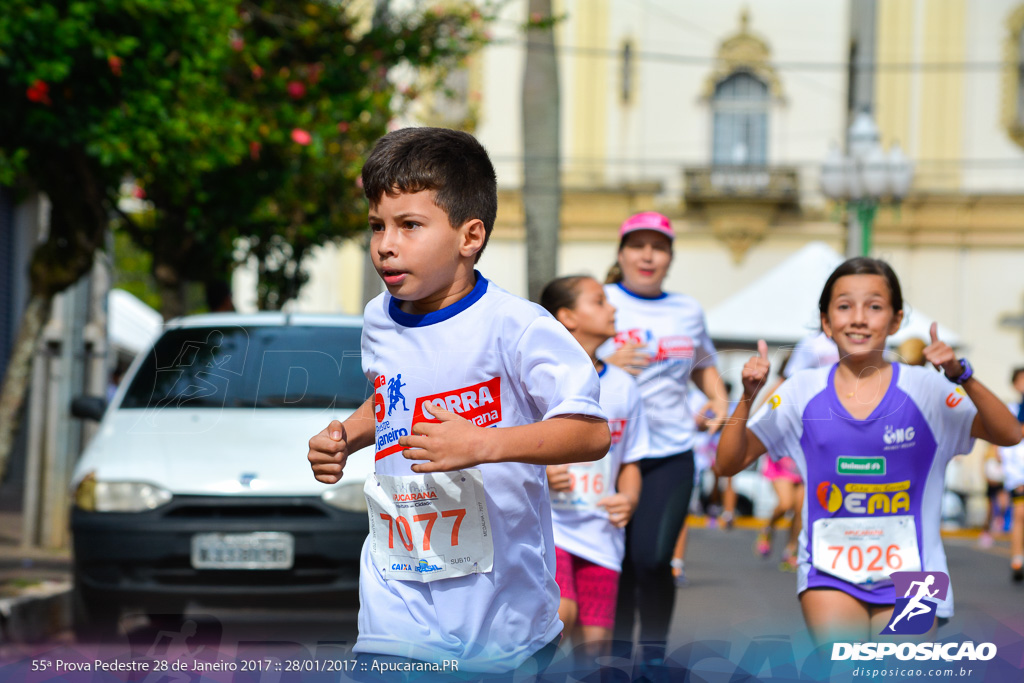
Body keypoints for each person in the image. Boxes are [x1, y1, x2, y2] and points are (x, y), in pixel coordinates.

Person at [306, 127, 611, 676]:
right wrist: (346, 437)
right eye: (377, 225)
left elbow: (590, 433)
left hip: (503, 616)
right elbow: (393, 399)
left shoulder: (516, 326)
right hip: (395, 597)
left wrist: (482, 444)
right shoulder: (379, 317)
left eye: (410, 225)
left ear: (470, 236)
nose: (385, 244)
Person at [716, 256, 1021, 645]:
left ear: (895, 320)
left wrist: (963, 376)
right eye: (844, 306)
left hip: (916, 574)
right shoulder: (801, 390)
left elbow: (1010, 433)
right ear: (826, 321)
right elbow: (727, 464)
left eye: (874, 306)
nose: (858, 318)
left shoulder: (927, 388)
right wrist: (746, 397)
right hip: (829, 570)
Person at [598, 211, 729, 667]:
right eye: (638, 245)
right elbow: (564, 354)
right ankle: (613, 660)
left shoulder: (687, 310)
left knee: (653, 559)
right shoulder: (602, 300)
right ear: (621, 253)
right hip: (609, 453)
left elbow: (704, 362)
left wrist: (718, 399)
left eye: (658, 247)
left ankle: (652, 658)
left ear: (670, 257)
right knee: (618, 562)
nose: (647, 255)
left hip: (672, 450)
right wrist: (603, 355)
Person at [540, 275, 646, 671]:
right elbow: (511, 443)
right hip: (552, 526)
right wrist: (545, 470)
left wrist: (630, 499)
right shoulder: (544, 378)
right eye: (600, 301)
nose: (613, 308)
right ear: (568, 316)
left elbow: (631, 459)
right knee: (559, 617)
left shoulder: (624, 388)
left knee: (595, 654)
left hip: (602, 534)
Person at [998, 366, 1024, 581]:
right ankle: (1017, 559)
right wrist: (1014, 477)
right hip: (1020, 476)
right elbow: (1006, 444)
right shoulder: (1011, 410)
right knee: (1020, 515)